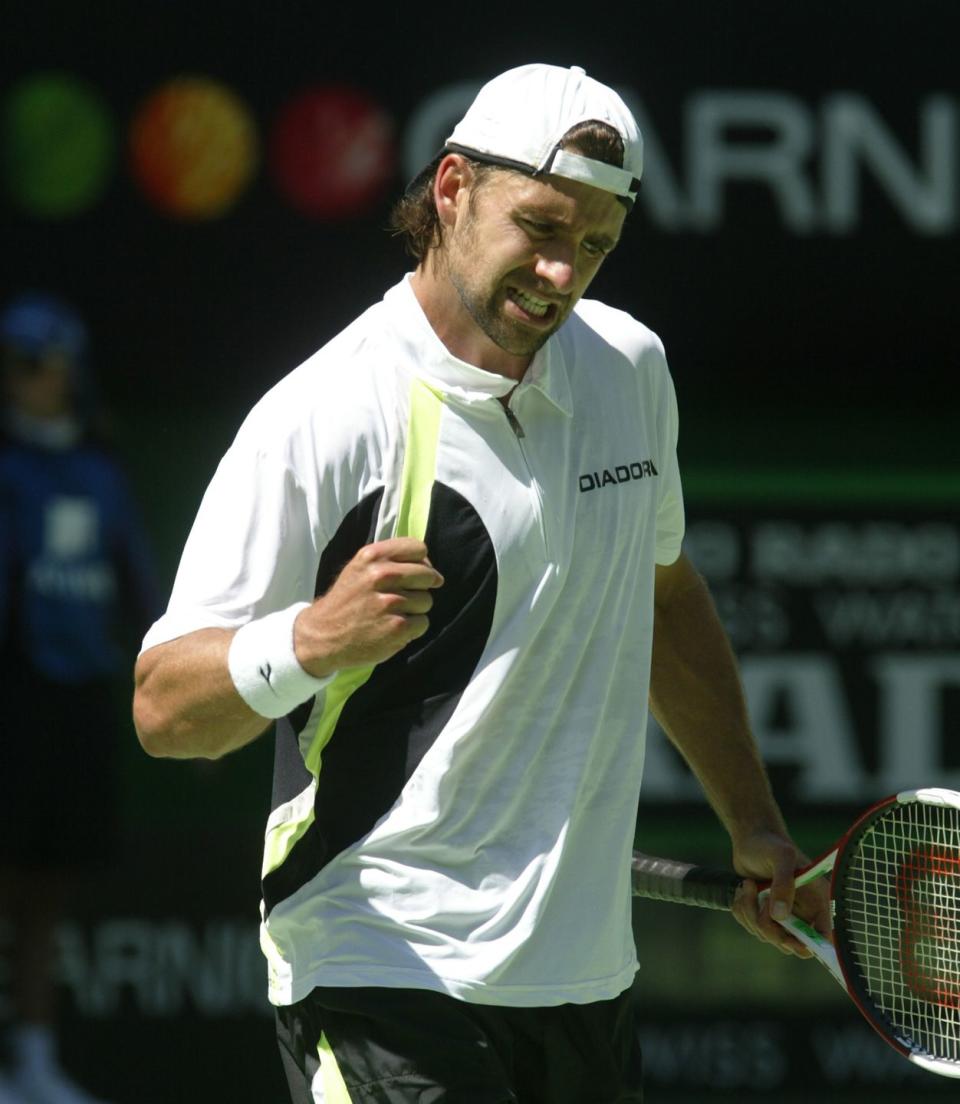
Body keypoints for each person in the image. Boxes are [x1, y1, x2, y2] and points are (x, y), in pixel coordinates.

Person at [133, 64, 830, 1103]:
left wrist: (754, 824)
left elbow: (665, 597)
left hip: (584, 984)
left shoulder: (631, 370)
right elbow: (163, 710)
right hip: (379, 968)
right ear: (452, 190)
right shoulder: (320, 415)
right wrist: (313, 641)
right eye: (540, 228)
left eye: (594, 246)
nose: (561, 272)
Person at [0, 294, 160, 1104]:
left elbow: (137, 587)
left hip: (79, 700)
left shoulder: (100, 471)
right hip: (12, 699)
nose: (45, 379)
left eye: (58, 363)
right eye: (30, 363)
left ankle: (33, 1062)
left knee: (47, 889)